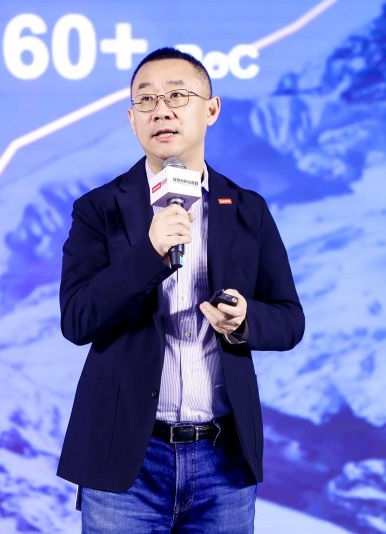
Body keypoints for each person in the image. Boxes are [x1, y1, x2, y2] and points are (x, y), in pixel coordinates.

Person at [58, 47, 304, 533]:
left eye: (176, 96)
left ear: (211, 109)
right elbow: (78, 319)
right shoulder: (98, 209)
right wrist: (149, 253)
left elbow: (289, 319)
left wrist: (244, 321)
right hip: (126, 459)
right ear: (132, 118)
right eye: (146, 100)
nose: (161, 111)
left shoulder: (247, 209)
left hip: (223, 460)